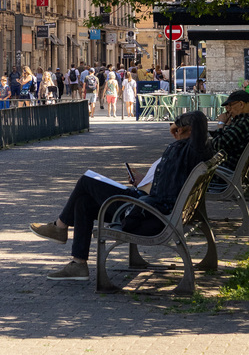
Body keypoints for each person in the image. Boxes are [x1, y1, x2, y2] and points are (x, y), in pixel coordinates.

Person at [30, 111, 214, 280]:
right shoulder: (185, 150)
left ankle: (60, 227)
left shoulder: (194, 151)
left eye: (180, 129)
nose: (176, 130)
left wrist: (178, 123)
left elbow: (199, 117)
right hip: (147, 205)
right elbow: (167, 183)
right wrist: (143, 181)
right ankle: (78, 264)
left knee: (86, 181)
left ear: (191, 130)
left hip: (149, 213)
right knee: (83, 203)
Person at [210, 89, 249, 171]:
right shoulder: (246, 120)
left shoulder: (243, 123)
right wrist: (228, 125)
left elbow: (219, 145)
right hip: (231, 166)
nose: (229, 109)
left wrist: (221, 124)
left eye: (231, 105)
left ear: (241, 104)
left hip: (226, 169)